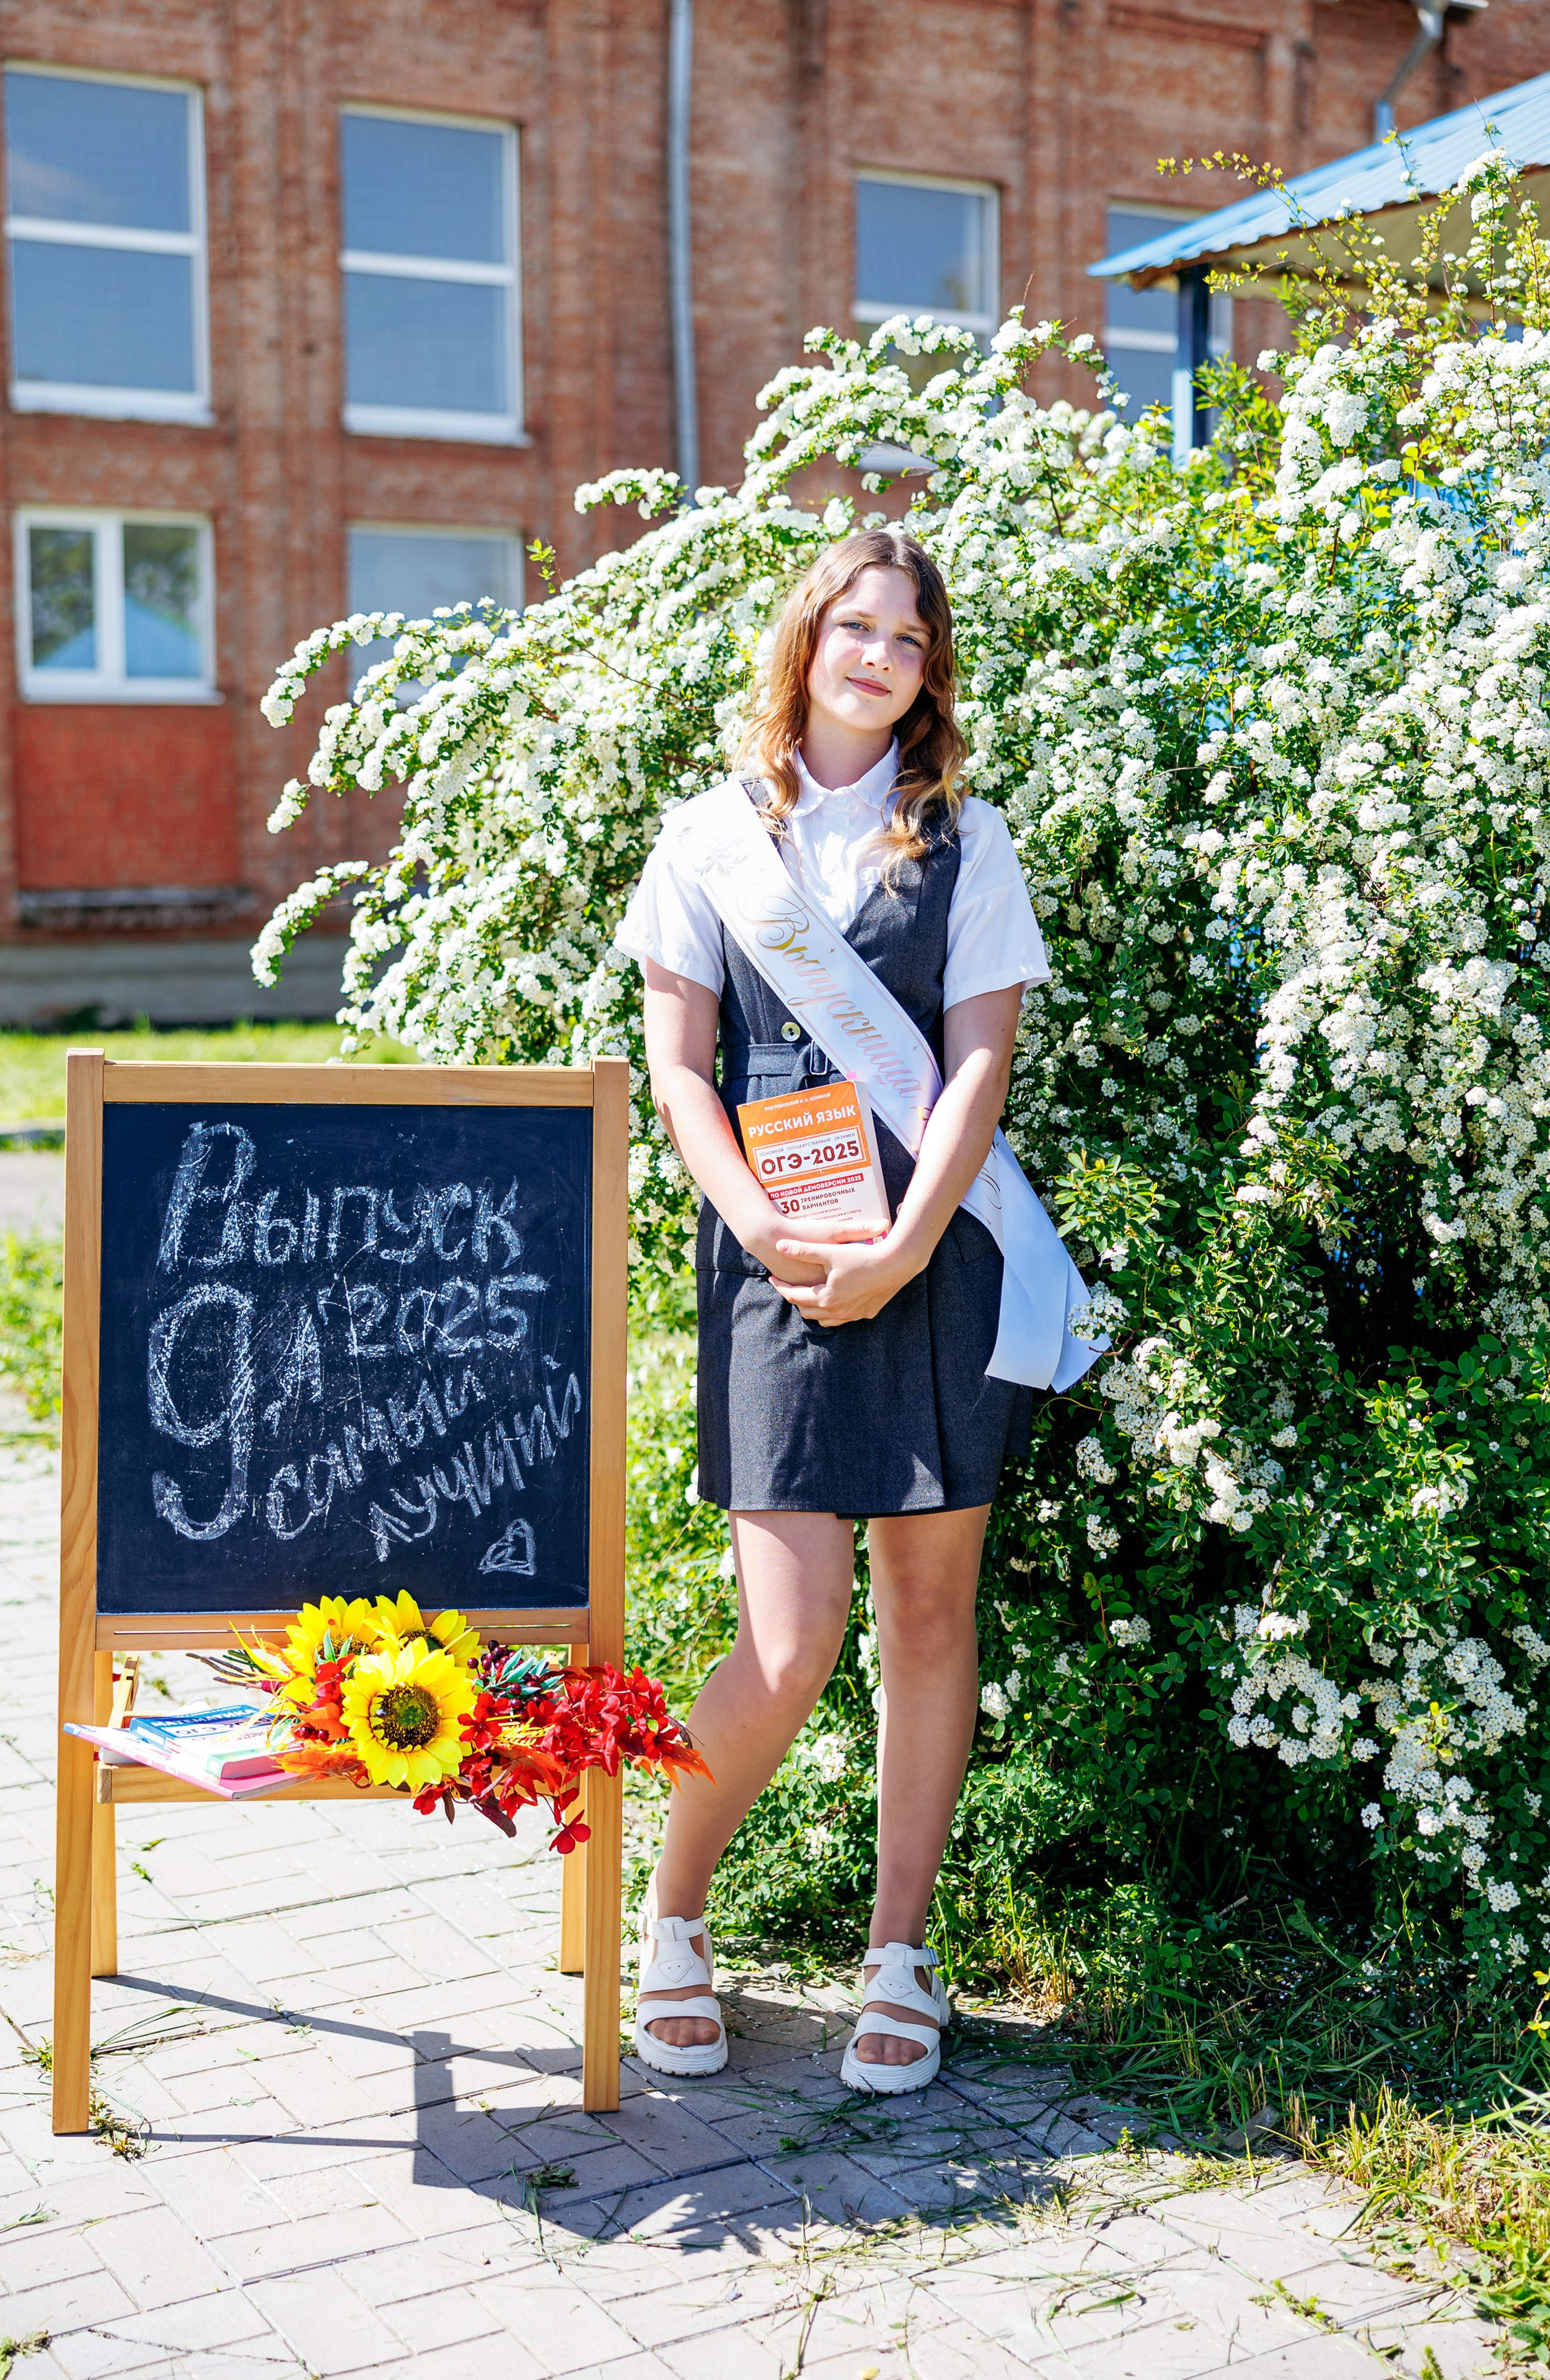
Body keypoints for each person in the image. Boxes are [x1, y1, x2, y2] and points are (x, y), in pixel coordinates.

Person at [614, 526, 1050, 2094]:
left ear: (929, 672)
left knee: (929, 1618)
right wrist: (763, 1226)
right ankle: (666, 1923)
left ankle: (899, 1953)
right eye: (854, 626)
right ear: (805, 640)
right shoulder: (708, 840)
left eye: (909, 638)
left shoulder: (964, 841)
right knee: (788, 1646)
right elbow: (680, 1063)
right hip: (774, 1273)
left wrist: (904, 1244)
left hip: (938, 1265)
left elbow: (980, 1065)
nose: (878, 655)